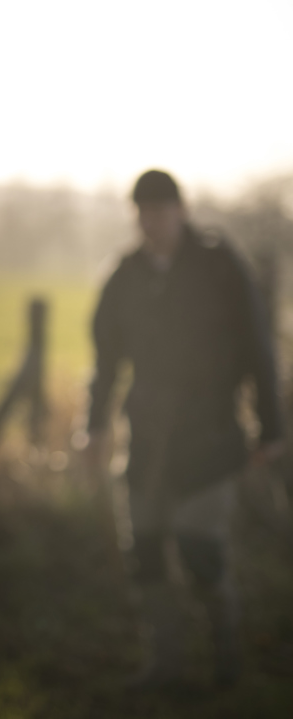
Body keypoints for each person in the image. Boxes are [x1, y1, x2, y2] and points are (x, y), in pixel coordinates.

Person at [85, 170, 284, 689]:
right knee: (145, 553)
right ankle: (166, 663)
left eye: (161, 210)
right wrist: (94, 427)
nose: (152, 221)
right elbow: (105, 361)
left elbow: (258, 348)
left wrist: (270, 427)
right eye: (143, 212)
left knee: (200, 548)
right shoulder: (125, 275)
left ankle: (225, 654)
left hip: (211, 437)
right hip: (146, 440)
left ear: (182, 209)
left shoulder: (221, 267)